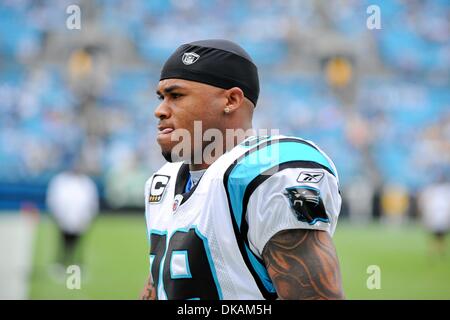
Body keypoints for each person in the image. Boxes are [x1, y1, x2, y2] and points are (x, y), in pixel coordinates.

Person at [141, 39, 344, 300]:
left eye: (176, 96)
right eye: (161, 97)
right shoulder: (163, 182)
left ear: (232, 100)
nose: (159, 110)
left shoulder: (266, 174)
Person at [46, 162, 99, 267]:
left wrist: (87, 217)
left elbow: (92, 202)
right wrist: (58, 215)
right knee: (63, 241)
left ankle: (77, 263)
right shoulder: (61, 181)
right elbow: (54, 199)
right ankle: (61, 262)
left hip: (80, 220)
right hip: (64, 219)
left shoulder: (87, 183)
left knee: (78, 243)